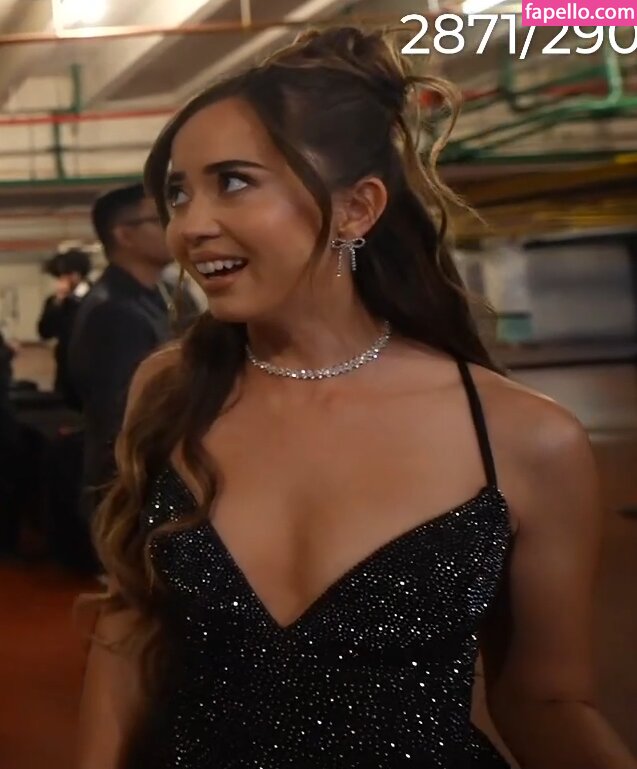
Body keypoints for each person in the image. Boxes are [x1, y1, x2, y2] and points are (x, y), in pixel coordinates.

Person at [77, 27, 637, 769]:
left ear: (357, 208)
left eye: (233, 182)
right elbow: (130, 630)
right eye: (177, 193)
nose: (190, 226)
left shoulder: (524, 436)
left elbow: (546, 702)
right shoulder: (171, 389)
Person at [68, 183, 174, 525]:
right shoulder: (114, 311)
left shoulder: (153, 297)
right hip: (134, 489)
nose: (174, 226)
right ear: (124, 235)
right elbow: (121, 416)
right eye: (158, 219)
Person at [38, 248, 92, 409]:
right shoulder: (55, 301)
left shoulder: (96, 297)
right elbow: (44, 332)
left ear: (78, 274)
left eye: (66, 274)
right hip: (65, 368)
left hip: (91, 366)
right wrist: (58, 303)